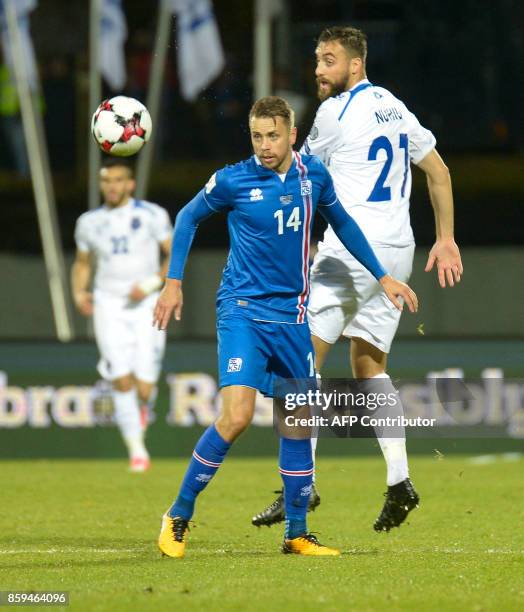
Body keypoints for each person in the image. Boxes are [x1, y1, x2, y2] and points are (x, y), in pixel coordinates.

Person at [154, 96, 418, 558]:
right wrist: (172, 283)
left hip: (294, 317)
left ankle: (296, 533)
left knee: (297, 424)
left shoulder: (313, 175)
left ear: (291, 134)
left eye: (272, 135)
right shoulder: (234, 180)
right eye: (257, 136)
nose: (264, 145)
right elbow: (187, 218)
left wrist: (383, 276)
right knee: (235, 417)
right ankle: (177, 515)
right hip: (242, 312)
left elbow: (345, 225)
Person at [252, 26, 463, 532]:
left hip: (352, 252)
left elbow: (294, 174)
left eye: (329, 60)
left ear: (354, 64)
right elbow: (438, 171)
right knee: (369, 369)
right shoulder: (394, 105)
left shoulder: (333, 113)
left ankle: (299, 485)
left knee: (298, 363)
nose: (319, 70)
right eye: (318, 59)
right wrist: (446, 239)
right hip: (398, 251)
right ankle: (400, 482)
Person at [72, 158, 172, 472]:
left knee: (144, 386)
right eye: (106, 180)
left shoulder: (152, 215)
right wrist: (78, 291)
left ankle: (141, 411)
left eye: (118, 180)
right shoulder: (89, 222)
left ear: (130, 184)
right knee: (121, 379)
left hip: (147, 304)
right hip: (108, 304)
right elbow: (83, 262)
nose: (112, 186)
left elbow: (174, 254)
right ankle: (137, 451)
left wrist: (153, 282)